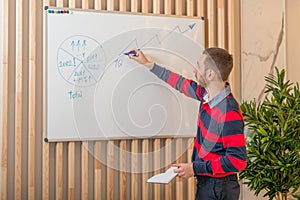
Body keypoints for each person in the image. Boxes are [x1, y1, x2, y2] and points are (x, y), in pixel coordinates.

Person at [128, 47, 247, 200]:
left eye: (199, 66)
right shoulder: (206, 96)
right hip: (208, 182)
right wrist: (148, 64)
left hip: (220, 188)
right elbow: (180, 83)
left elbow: (237, 161)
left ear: (210, 74)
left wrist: (195, 168)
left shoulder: (228, 112)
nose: (195, 70)